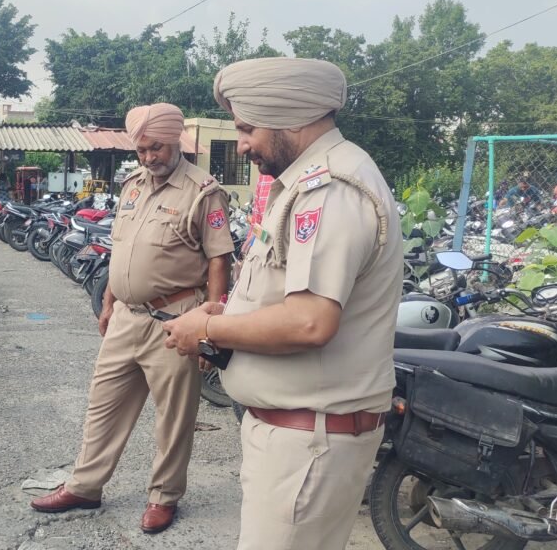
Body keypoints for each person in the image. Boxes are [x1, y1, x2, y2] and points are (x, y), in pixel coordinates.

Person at [162, 57, 402, 550]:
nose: (242, 144)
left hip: (308, 440)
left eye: (247, 129)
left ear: (290, 118)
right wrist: (228, 316)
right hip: (300, 435)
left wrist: (206, 330)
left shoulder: (330, 189)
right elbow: (287, 297)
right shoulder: (308, 181)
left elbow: (310, 322)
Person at [29, 102, 234, 534]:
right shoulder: (132, 185)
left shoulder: (203, 191)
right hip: (125, 316)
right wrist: (108, 302)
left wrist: (210, 327)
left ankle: (164, 496)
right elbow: (120, 248)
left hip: (175, 320)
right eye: (141, 150)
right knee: (102, 405)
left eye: (156, 148)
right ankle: (85, 486)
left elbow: (220, 260)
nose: (148, 157)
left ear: (175, 141)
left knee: (173, 418)